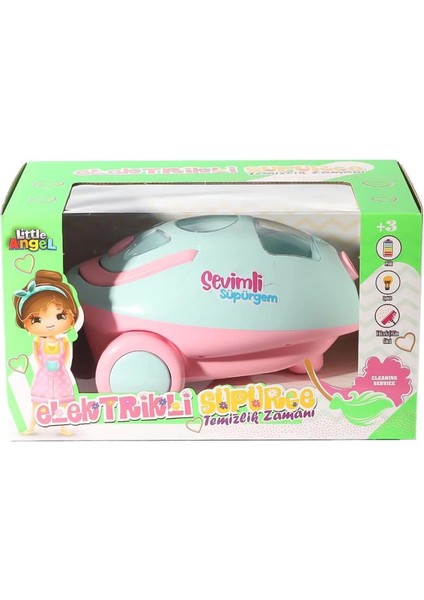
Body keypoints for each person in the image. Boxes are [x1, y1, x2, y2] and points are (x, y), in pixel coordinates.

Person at [13, 270, 79, 436]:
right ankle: (31, 425)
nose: (50, 324)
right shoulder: (38, 341)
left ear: (72, 317)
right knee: (38, 400)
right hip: (43, 374)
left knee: (63, 401)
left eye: (60, 315)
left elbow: (67, 357)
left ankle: (64, 425)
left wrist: (61, 367)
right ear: (26, 324)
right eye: (36, 319)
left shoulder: (64, 341)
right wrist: (43, 366)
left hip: (60, 374)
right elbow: (37, 356)